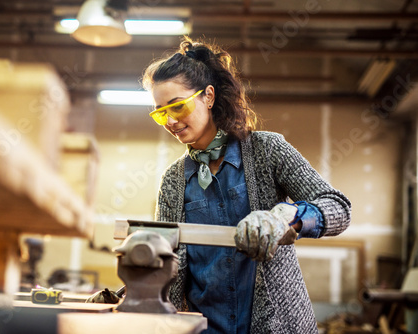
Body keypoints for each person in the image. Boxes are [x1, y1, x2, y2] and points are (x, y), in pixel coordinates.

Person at [141, 37, 351, 334]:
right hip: (204, 327)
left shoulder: (267, 150)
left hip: (276, 327)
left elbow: (338, 206)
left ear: (208, 97)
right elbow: (166, 263)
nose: (170, 122)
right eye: (161, 113)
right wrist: (133, 294)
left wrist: (285, 216)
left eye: (177, 107)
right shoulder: (174, 180)